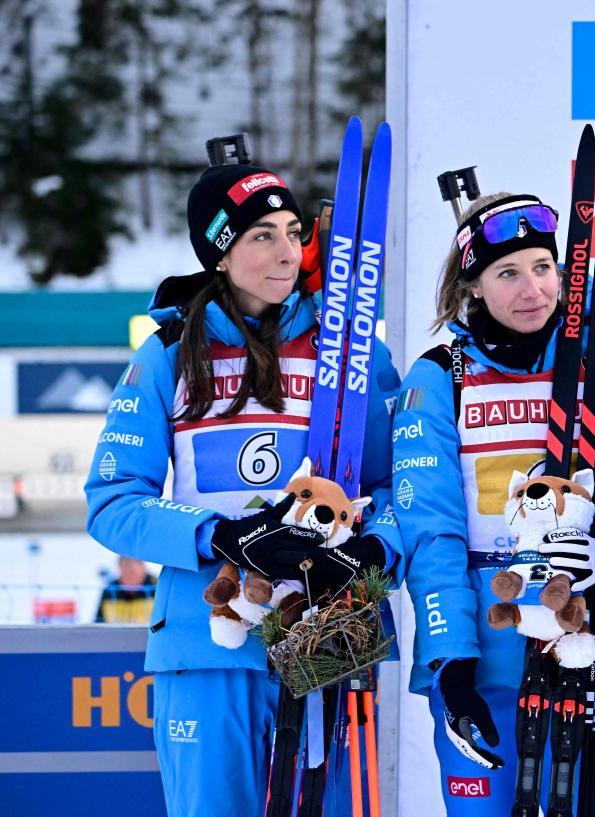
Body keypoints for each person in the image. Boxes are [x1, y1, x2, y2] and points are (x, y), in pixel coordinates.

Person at [84, 161, 403, 817]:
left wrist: (373, 552)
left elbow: (396, 488)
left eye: (292, 232)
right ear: (220, 254)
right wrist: (220, 535)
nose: (287, 251)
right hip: (207, 645)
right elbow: (113, 500)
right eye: (262, 235)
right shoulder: (168, 354)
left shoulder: (350, 350)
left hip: (330, 640)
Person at [395, 192, 595, 815]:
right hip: (485, 646)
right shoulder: (439, 376)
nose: (532, 289)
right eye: (507, 273)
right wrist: (450, 660)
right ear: (473, 285)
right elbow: (431, 532)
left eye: (543, 267)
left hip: (592, 634)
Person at [95, 555, 157, 624]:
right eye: (125, 574)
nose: (130, 579)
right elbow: (98, 623)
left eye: (133, 573)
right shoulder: (110, 591)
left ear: (143, 569)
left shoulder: (157, 587)